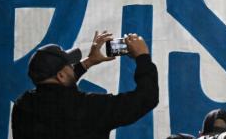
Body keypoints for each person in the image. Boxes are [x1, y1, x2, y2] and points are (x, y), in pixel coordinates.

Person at [11, 33, 158, 139]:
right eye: (69, 65)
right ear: (61, 76)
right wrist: (142, 57)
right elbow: (147, 97)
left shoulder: (22, 107)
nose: (72, 66)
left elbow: (56, 92)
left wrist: (88, 62)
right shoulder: (91, 108)